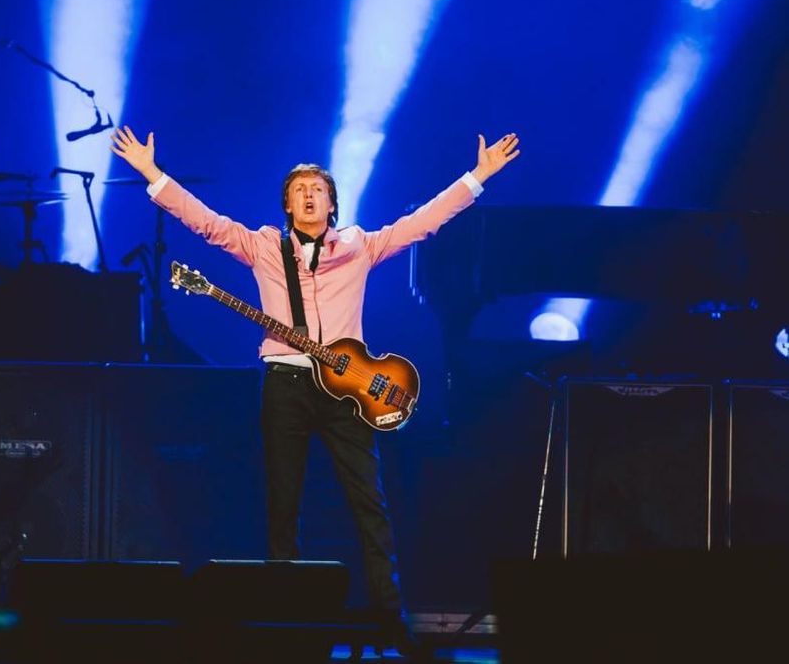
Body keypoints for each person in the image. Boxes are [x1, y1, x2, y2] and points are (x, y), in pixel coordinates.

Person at [111, 126, 520, 654]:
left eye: (318, 190)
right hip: (285, 384)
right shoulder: (262, 246)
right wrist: (152, 174)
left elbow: (421, 224)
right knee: (284, 502)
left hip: (349, 390)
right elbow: (206, 223)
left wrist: (478, 177)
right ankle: (286, 621)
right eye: (299, 190)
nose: (308, 195)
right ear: (287, 204)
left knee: (369, 504)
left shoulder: (358, 246)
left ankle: (390, 621)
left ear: (332, 204)